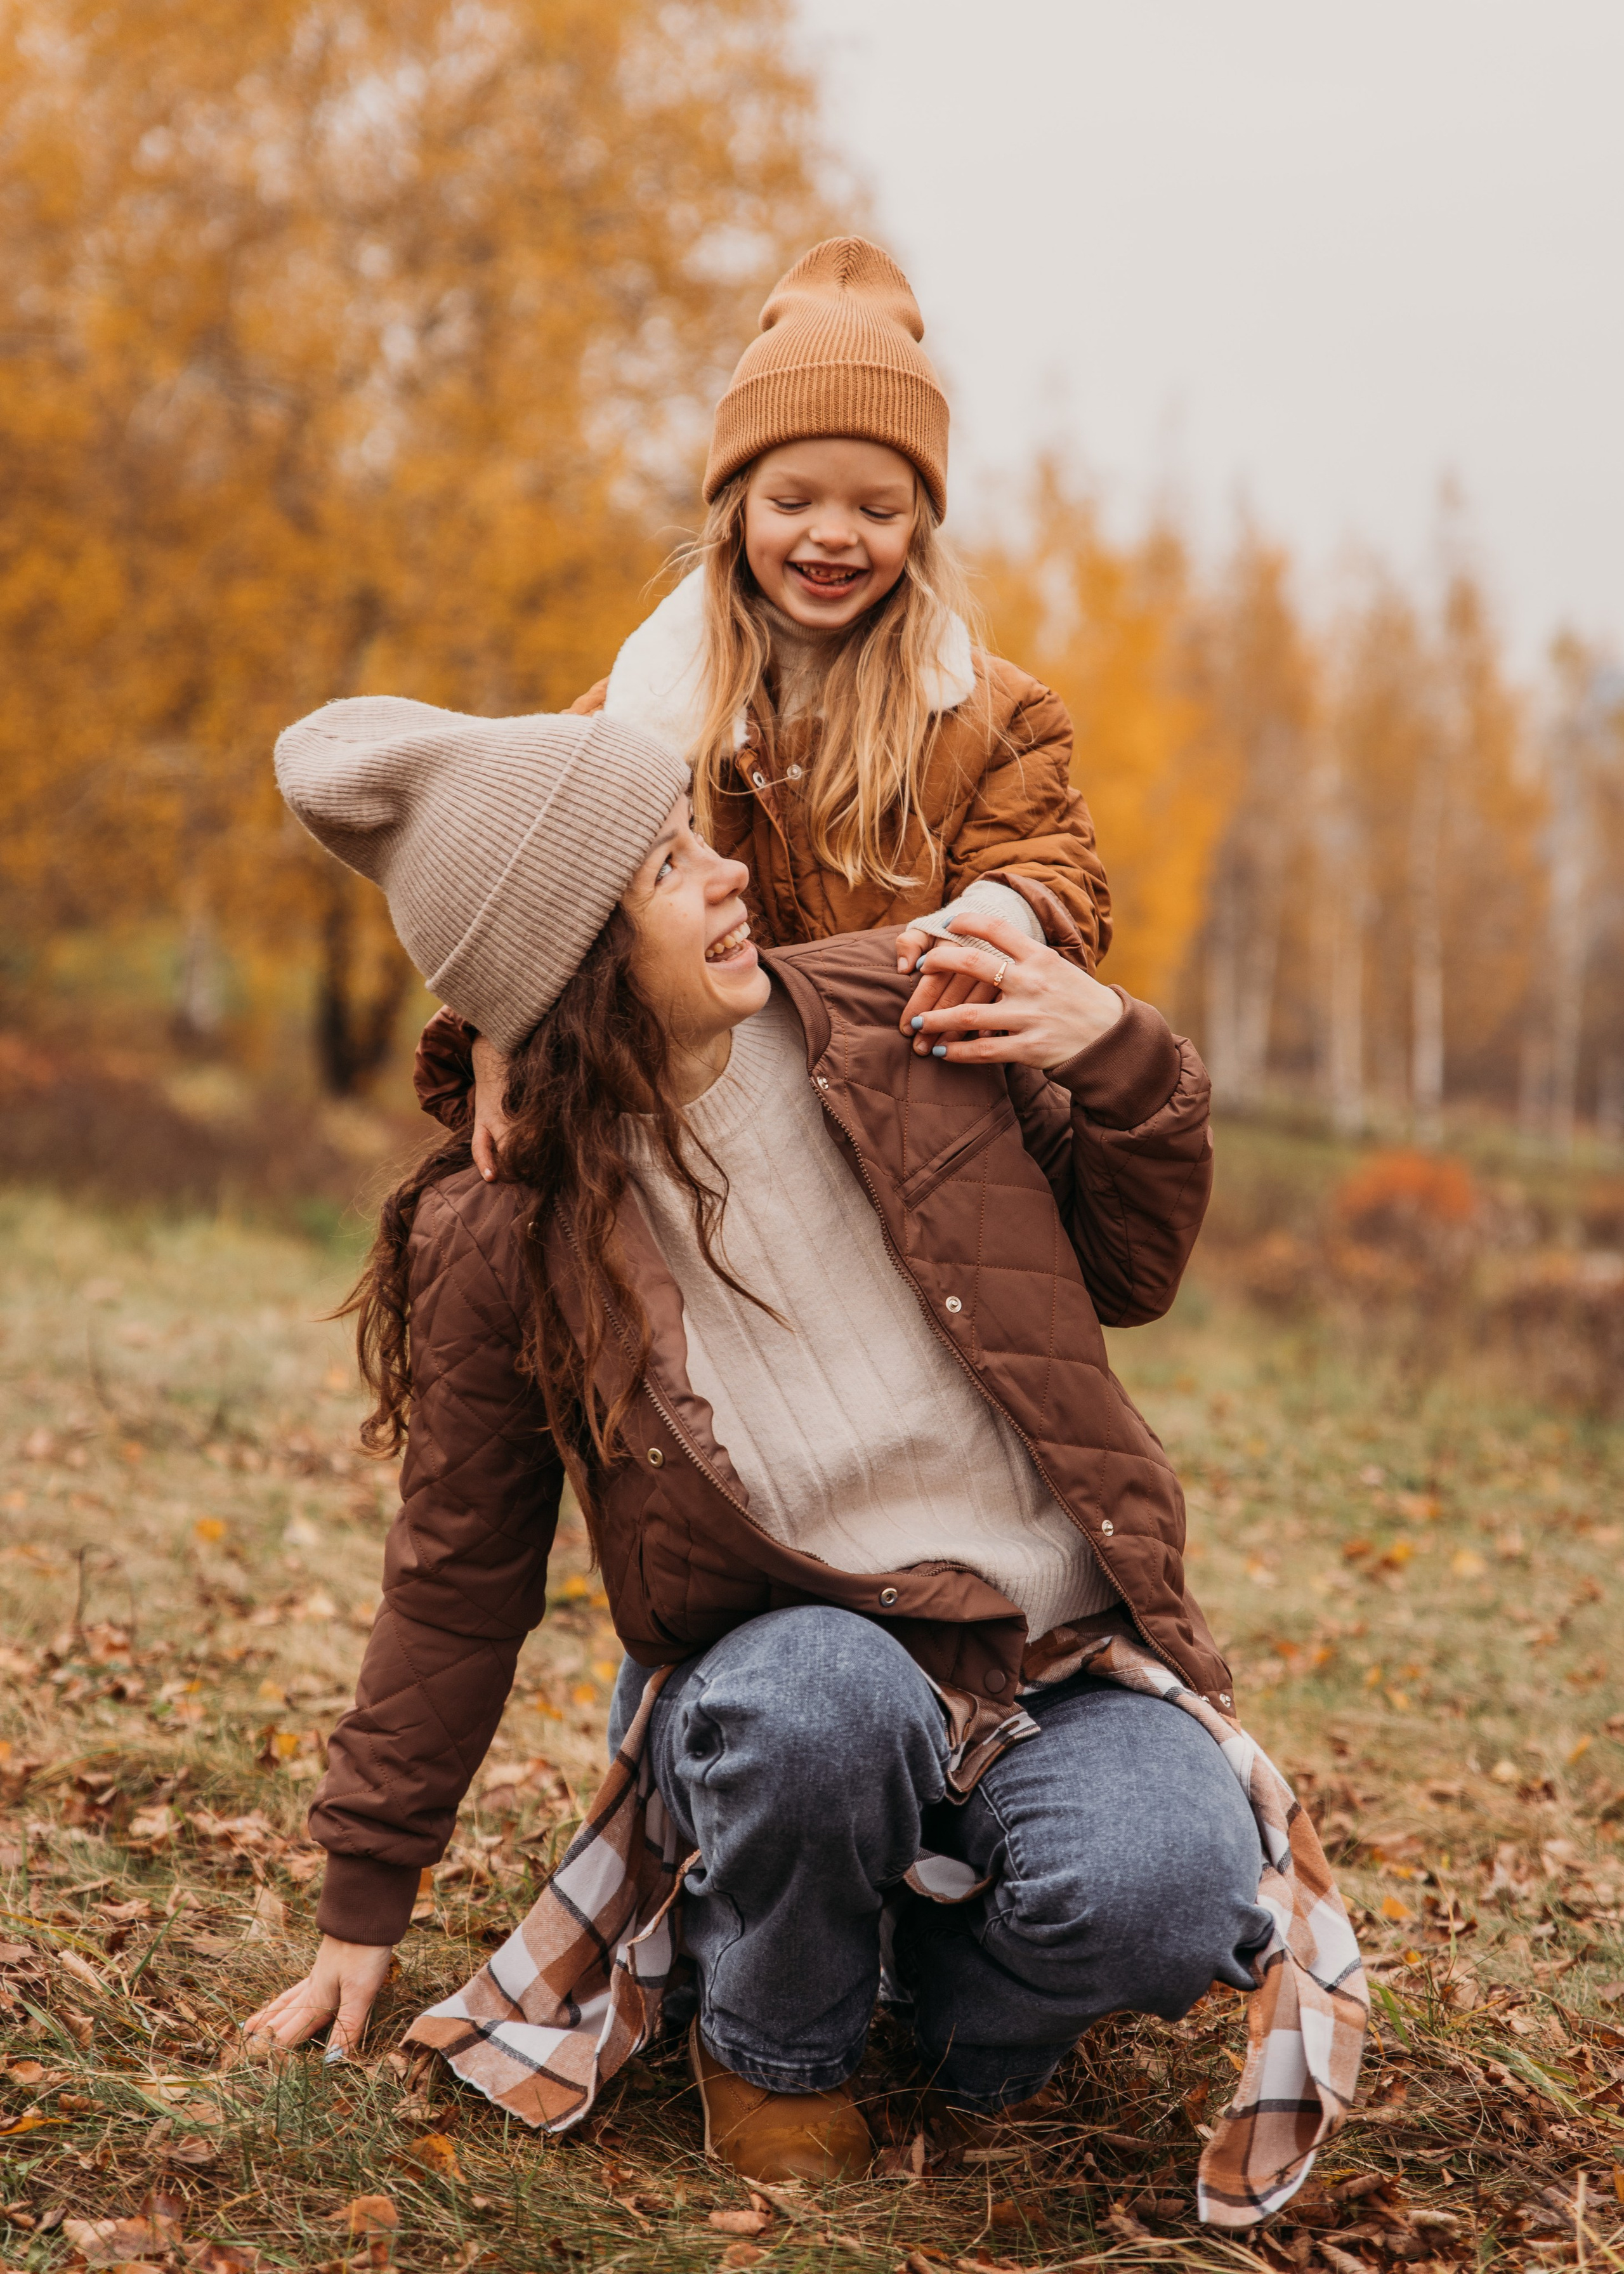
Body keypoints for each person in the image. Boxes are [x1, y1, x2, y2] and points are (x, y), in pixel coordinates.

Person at [247, 696, 1365, 2226]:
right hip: (791, 1671)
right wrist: (362, 1908)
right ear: (573, 965)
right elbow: (457, 1581)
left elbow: (1125, 1266)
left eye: (702, 841)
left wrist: (1115, 1053)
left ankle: (949, 2030)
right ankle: (775, 2041)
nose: (725, 877)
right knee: (817, 1702)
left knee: (1167, 1889)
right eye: (665, 869)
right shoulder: (504, 1231)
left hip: (1047, 1651)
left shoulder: (892, 1017)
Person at [412, 235, 1113, 1178]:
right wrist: (493, 1027)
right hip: (694, 1144)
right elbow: (532, 882)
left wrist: (996, 918)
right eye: (794, 500)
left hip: (905, 1155)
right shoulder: (639, 709)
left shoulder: (991, 719)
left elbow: (1053, 863)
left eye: (877, 509)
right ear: (737, 506)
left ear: (920, 523)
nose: (834, 533)